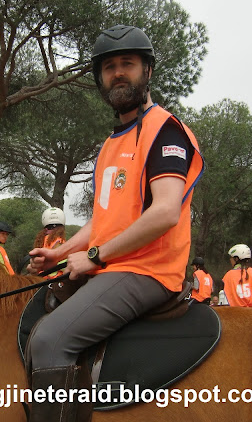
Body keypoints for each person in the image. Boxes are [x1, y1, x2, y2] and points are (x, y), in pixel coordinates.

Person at [26, 24, 204, 422]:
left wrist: (94, 256)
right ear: (100, 79)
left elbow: (166, 212)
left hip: (148, 271)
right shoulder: (110, 144)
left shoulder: (165, 130)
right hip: (113, 265)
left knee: (51, 340)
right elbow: (105, 220)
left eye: (128, 63)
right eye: (109, 67)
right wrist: (59, 252)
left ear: (148, 71)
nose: (118, 72)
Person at [34, 207, 67, 278]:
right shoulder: (59, 240)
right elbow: (62, 264)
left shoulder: (40, 239)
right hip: (56, 279)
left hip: (42, 278)